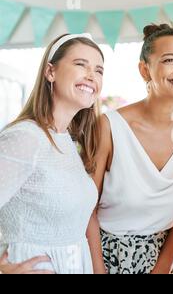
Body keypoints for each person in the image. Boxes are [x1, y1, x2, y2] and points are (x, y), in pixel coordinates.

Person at [87, 23, 173, 274]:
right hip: (104, 257)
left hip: (164, 261)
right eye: (170, 60)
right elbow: (86, 206)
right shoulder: (109, 126)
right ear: (144, 70)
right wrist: (98, 270)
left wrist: (163, 266)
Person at [0, 33, 104, 274]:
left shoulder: (65, 139)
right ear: (50, 72)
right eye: (81, 64)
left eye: (99, 70)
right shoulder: (26, 137)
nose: (92, 75)